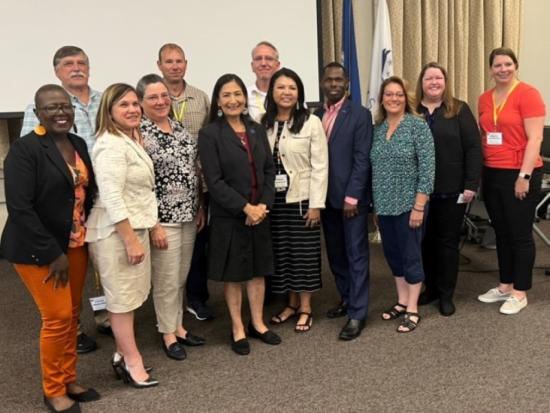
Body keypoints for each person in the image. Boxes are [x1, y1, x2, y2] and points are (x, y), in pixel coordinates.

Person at [2, 84, 100, 412]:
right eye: (51, 108)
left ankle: (69, 378)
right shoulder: (25, 150)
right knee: (57, 317)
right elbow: (20, 207)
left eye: (65, 107)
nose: (60, 113)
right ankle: (53, 389)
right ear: (37, 112)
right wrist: (51, 252)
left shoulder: (78, 143)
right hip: (38, 249)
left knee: (72, 315)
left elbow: (87, 194)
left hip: (75, 243)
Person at [20, 45, 105, 354]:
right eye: (69, 64)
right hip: (61, 205)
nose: (76, 68)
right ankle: (76, 327)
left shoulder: (102, 100)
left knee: (100, 261)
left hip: (96, 196)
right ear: (57, 71)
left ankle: (104, 314)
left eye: (82, 62)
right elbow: (32, 156)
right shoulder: (42, 106)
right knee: (65, 283)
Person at [198, 73, 281, 355]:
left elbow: (269, 170)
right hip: (229, 216)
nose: (233, 100)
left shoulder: (256, 129)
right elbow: (214, 180)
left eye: (237, 94)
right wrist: (245, 208)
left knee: (257, 271)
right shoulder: (210, 134)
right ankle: (238, 328)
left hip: (259, 214)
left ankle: (258, 323)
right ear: (218, 101)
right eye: (226, 95)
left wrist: (262, 208)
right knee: (234, 275)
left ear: (245, 98)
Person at [85, 83, 159, 387]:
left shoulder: (127, 139)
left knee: (130, 298)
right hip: (116, 234)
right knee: (120, 302)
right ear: (109, 112)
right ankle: (132, 361)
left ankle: (120, 354)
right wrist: (129, 239)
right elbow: (112, 197)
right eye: (123, 106)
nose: (132, 110)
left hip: (134, 227)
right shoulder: (109, 145)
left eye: (134, 104)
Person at [136, 74, 206, 360]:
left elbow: (192, 168)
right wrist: (153, 225)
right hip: (162, 218)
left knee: (180, 276)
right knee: (166, 279)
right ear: (141, 103)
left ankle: (178, 325)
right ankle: (167, 333)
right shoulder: (139, 132)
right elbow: (141, 184)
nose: (161, 101)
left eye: (164, 95)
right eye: (153, 97)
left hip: (188, 213)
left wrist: (199, 206)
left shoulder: (176, 125)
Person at [477, 47, 546, 314]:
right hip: (492, 171)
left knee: (519, 234)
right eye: (497, 65)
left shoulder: (528, 94)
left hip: (520, 172)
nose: (503, 69)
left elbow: (536, 139)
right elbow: (486, 135)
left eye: (507, 64)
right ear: (491, 69)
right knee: (501, 231)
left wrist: (524, 176)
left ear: (515, 66)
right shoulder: (484, 98)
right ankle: (505, 285)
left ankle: (520, 291)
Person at [261, 68, 328, 332]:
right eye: (280, 87)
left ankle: (306, 307)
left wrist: (316, 204)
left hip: (302, 199)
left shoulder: (311, 122)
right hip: (274, 201)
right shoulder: (263, 122)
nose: (286, 92)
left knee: (304, 255)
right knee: (283, 254)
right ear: (272, 92)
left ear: (299, 92)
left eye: (291, 87)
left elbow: (321, 166)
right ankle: (290, 304)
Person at [415, 62, 482, 316]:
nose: (434, 82)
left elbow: (474, 148)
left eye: (438, 78)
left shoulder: (459, 109)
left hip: (451, 189)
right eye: (429, 78)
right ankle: (430, 288)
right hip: (419, 191)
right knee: (425, 243)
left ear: (445, 82)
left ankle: (446, 294)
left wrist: (471, 184)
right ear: (421, 82)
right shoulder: (413, 110)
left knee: (447, 243)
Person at [371, 76, 435, 333]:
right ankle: (401, 300)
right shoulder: (377, 128)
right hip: (384, 205)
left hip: (410, 205)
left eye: (398, 94)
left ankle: (412, 308)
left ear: (405, 97)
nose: (393, 99)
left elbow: (428, 170)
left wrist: (419, 205)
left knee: (410, 256)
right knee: (393, 256)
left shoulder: (417, 126)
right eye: (388, 94)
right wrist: (375, 207)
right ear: (382, 98)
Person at [314, 62, 373, 341]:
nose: (334, 84)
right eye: (329, 80)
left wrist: (353, 196)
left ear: (347, 83)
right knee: (336, 254)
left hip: (351, 200)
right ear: (323, 83)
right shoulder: (315, 114)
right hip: (324, 200)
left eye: (339, 79)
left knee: (356, 254)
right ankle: (347, 298)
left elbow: (362, 159)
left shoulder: (360, 115)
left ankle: (358, 313)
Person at [157, 43, 213, 320]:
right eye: (169, 62)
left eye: (179, 61)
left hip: (198, 185)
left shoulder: (200, 98)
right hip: (163, 192)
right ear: (160, 66)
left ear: (186, 65)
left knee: (197, 247)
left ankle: (196, 298)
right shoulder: (153, 98)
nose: (175, 66)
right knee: (167, 252)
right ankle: (169, 308)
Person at [247, 41, 281, 122]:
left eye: (269, 59)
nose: (263, 63)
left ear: (277, 65)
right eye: (258, 59)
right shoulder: (244, 96)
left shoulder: (290, 96)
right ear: (252, 66)